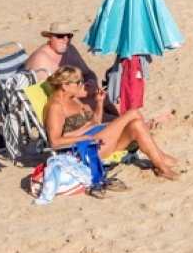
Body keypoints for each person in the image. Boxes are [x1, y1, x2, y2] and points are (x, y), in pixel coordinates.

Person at [41, 66, 180, 180]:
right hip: (86, 148)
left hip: (100, 138)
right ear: (64, 86)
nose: (81, 85)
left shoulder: (74, 99)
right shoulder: (56, 107)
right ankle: (162, 164)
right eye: (77, 83)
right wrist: (84, 138)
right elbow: (55, 142)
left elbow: (95, 122)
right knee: (133, 113)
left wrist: (99, 102)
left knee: (136, 125)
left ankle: (160, 160)